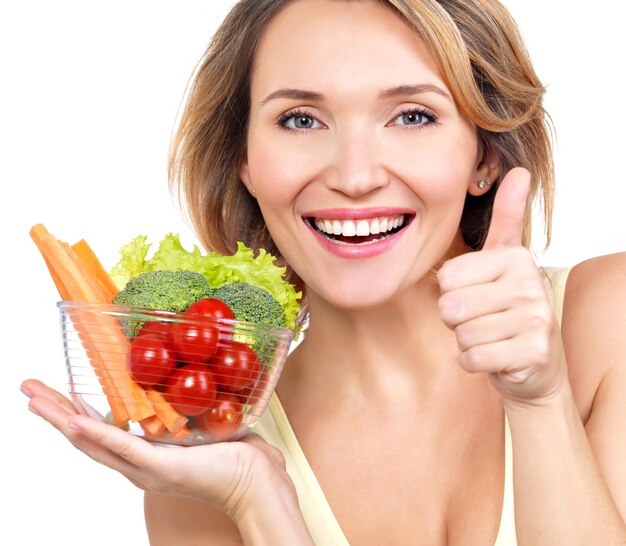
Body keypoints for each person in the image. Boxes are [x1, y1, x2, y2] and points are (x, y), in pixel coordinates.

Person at [21, 0, 626, 544]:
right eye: (301, 120)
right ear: (245, 162)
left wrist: (541, 403)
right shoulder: (209, 440)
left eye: (412, 116)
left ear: (485, 156)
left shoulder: (609, 320)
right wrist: (252, 499)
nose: (355, 176)